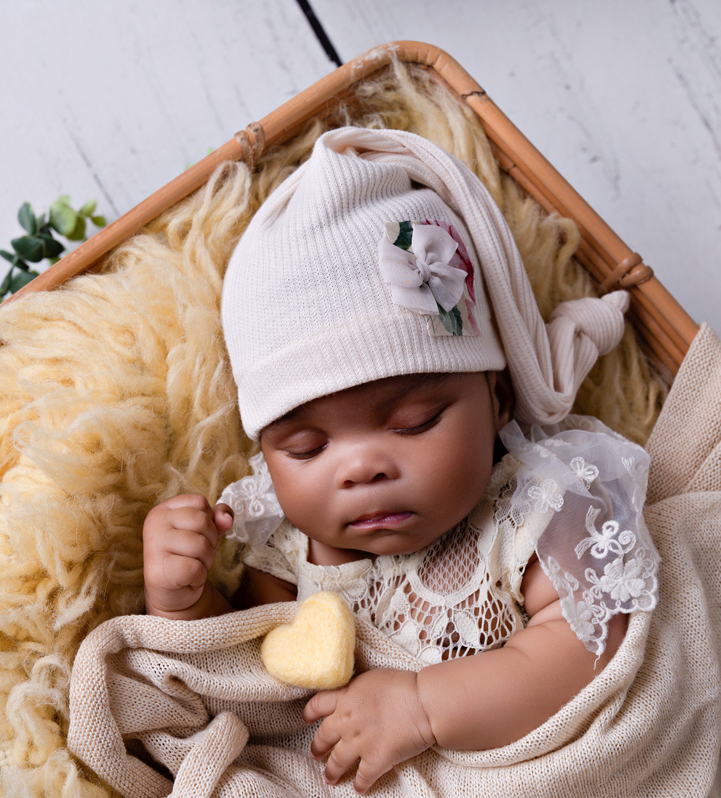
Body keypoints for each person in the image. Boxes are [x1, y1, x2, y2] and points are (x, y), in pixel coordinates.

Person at [140, 127, 659, 794]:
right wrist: (182, 601)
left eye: (414, 423)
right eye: (308, 447)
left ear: (496, 397)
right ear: (268, 455)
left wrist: (423, 707)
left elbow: (588, 649)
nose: (361, 468)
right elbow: (248, 679)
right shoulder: (287, 542)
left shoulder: (534, 501)